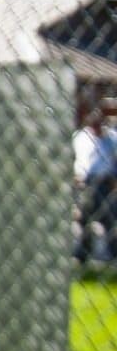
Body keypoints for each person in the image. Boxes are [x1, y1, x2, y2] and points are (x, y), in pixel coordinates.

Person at [73, 102, 117, 264]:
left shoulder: (111, 138)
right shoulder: (81, 137)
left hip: (106, 182)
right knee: (84, 219)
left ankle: (113, 255)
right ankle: (82, 254)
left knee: (109, 219)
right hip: (85, 182)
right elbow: (75, 159)